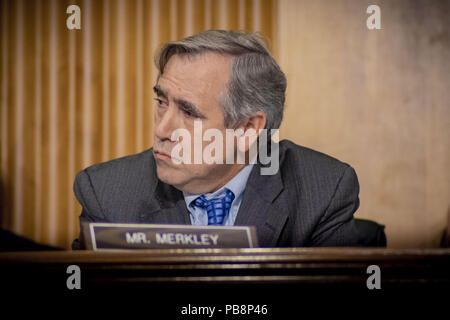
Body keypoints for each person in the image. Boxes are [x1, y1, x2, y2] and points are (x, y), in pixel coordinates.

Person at [72, 30, 365, 249]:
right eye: (161, 101)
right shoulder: (107, 194)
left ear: (249, 129)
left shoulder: (323, 191)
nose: (161, 129)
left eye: (189, 112)